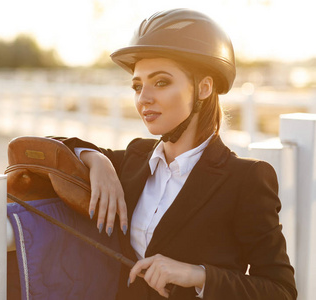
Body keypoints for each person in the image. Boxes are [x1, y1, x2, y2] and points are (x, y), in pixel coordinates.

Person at [58, 8, 297, 300]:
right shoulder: (135, 158)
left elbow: (280, 290)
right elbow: (45, 147)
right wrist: (96, 159)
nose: (144, 98)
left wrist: (196, 275)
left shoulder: (246, 179)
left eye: (161, 82)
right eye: (137, 86)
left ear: (204, 88)